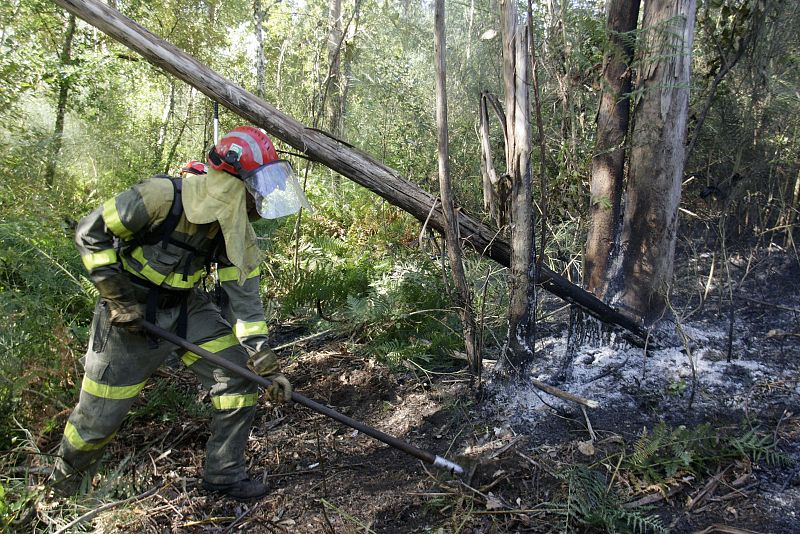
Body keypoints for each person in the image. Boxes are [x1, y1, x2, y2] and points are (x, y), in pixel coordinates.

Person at [52, 126, 310, 500]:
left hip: (186, 308)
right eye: (256, 184)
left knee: (238, 380)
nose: (260, 196)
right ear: (231, 181)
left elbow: (247, 302)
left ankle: (224, 473)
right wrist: (117, 297)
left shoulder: (234, 229)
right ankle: (62, 493)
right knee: (96, 422)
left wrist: (264, 362)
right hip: (128, 315)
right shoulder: (160, 197)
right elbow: (89, 233)